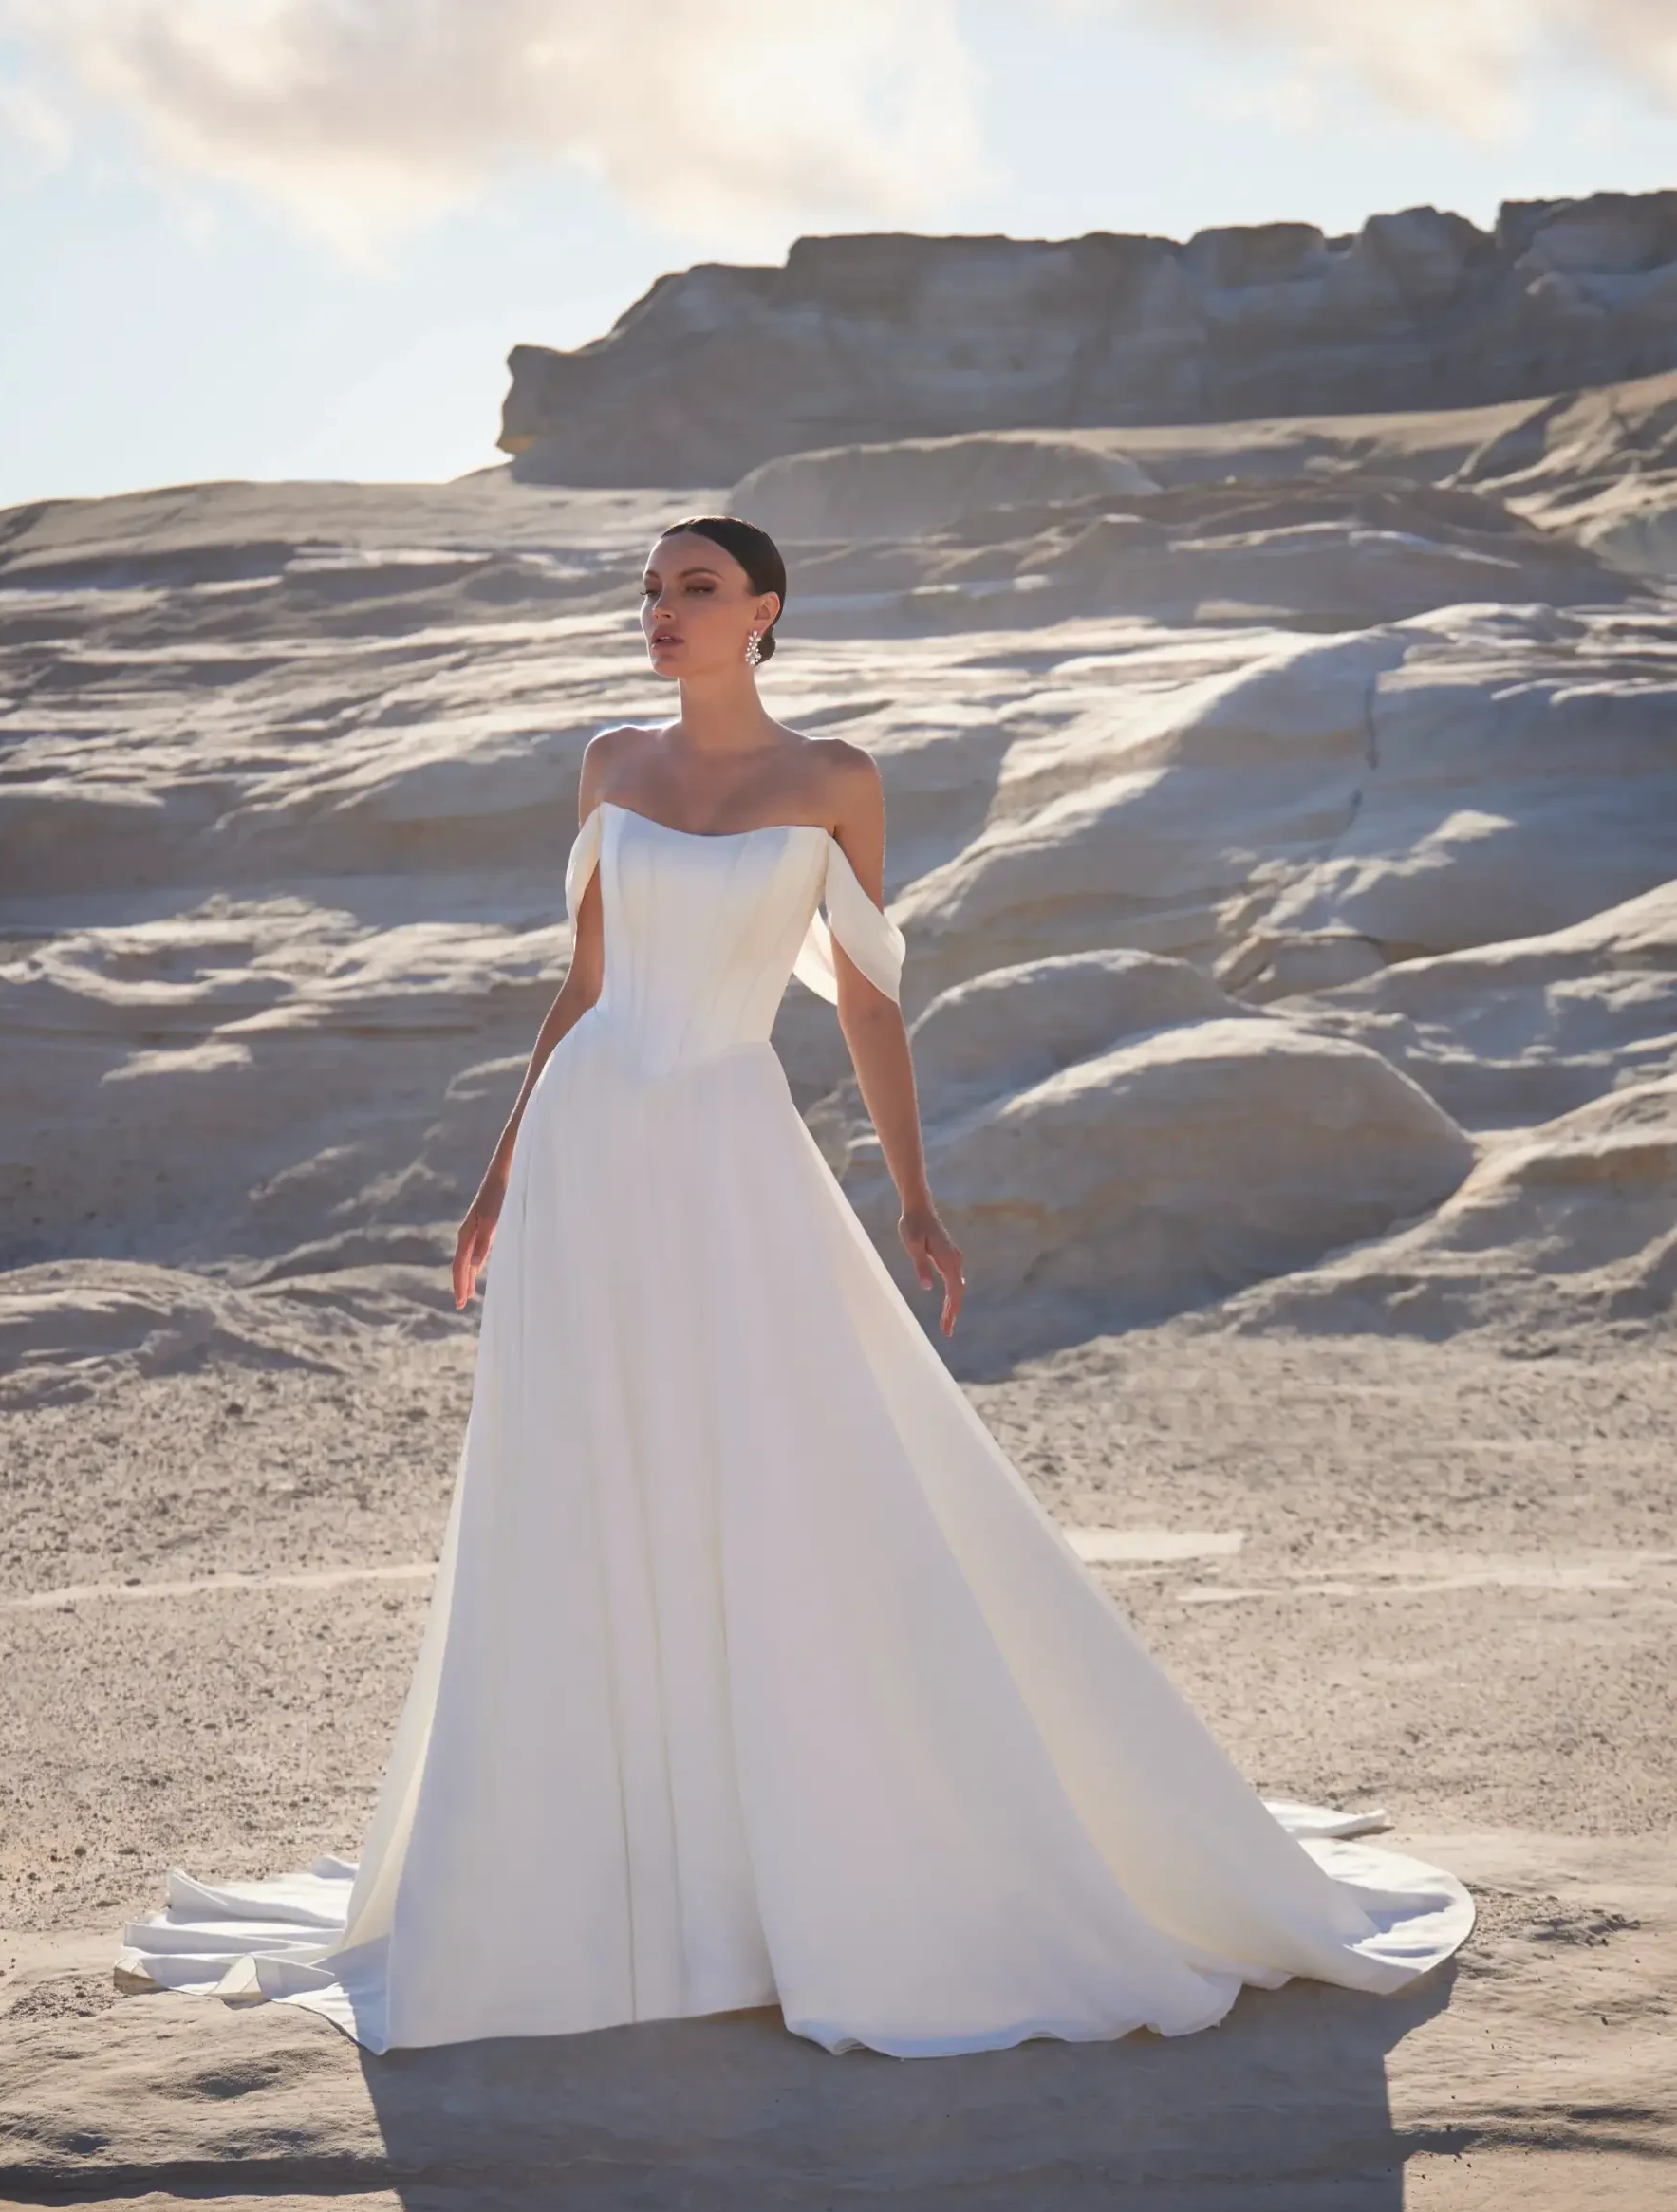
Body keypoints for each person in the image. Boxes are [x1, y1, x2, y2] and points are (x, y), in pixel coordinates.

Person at [119, 515, 1472, 2055]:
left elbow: (867, 996)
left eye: (694, 588)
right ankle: (593, 1873)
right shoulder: (608, 766)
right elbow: (582, 984)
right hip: (589, 1152)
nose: (660, 611)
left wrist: (912, 1192)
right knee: (579, 1483)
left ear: (763, 613)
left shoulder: (836, 780)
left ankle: (803, 1846)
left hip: (726, 1141)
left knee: (781, 1465)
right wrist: (499, 1176)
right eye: (648, 589)